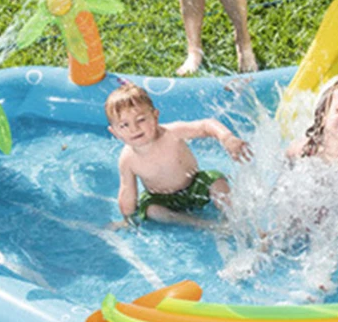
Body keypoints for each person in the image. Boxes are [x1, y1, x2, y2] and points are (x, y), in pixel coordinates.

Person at [105, 82, 251, 228]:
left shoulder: (172, 133)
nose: (134, 128)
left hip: (195, 184)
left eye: (141, 120)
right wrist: (127, 219)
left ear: (155, 116)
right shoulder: (127, 158)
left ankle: (239, 218)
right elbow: (127, 191)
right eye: (124, 125)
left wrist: (227, 138)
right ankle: (203, 224)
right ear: (115, 132)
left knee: (216, 181)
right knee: (152, 210)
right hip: (162, 199)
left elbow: (205, 125)